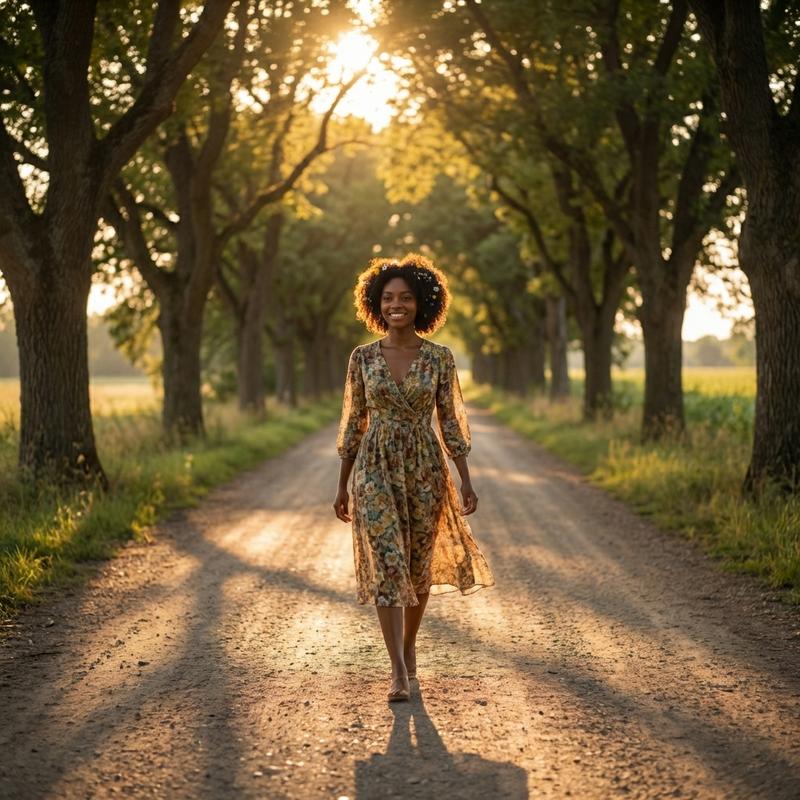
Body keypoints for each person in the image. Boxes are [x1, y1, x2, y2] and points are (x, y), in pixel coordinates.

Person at [332, 253, 495, 702]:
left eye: (405, 297)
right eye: (387, 298)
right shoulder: (362, 358)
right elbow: (353, 422)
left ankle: (408, 647)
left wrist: (465, 478)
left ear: (422, 303)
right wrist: (343, 483)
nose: (396, 305)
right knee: (388, 564)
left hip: (425, 468)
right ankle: (398, 671)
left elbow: (450, 420)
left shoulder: (440, 359)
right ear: (376, 304)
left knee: (417, 568)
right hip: (375, 468)